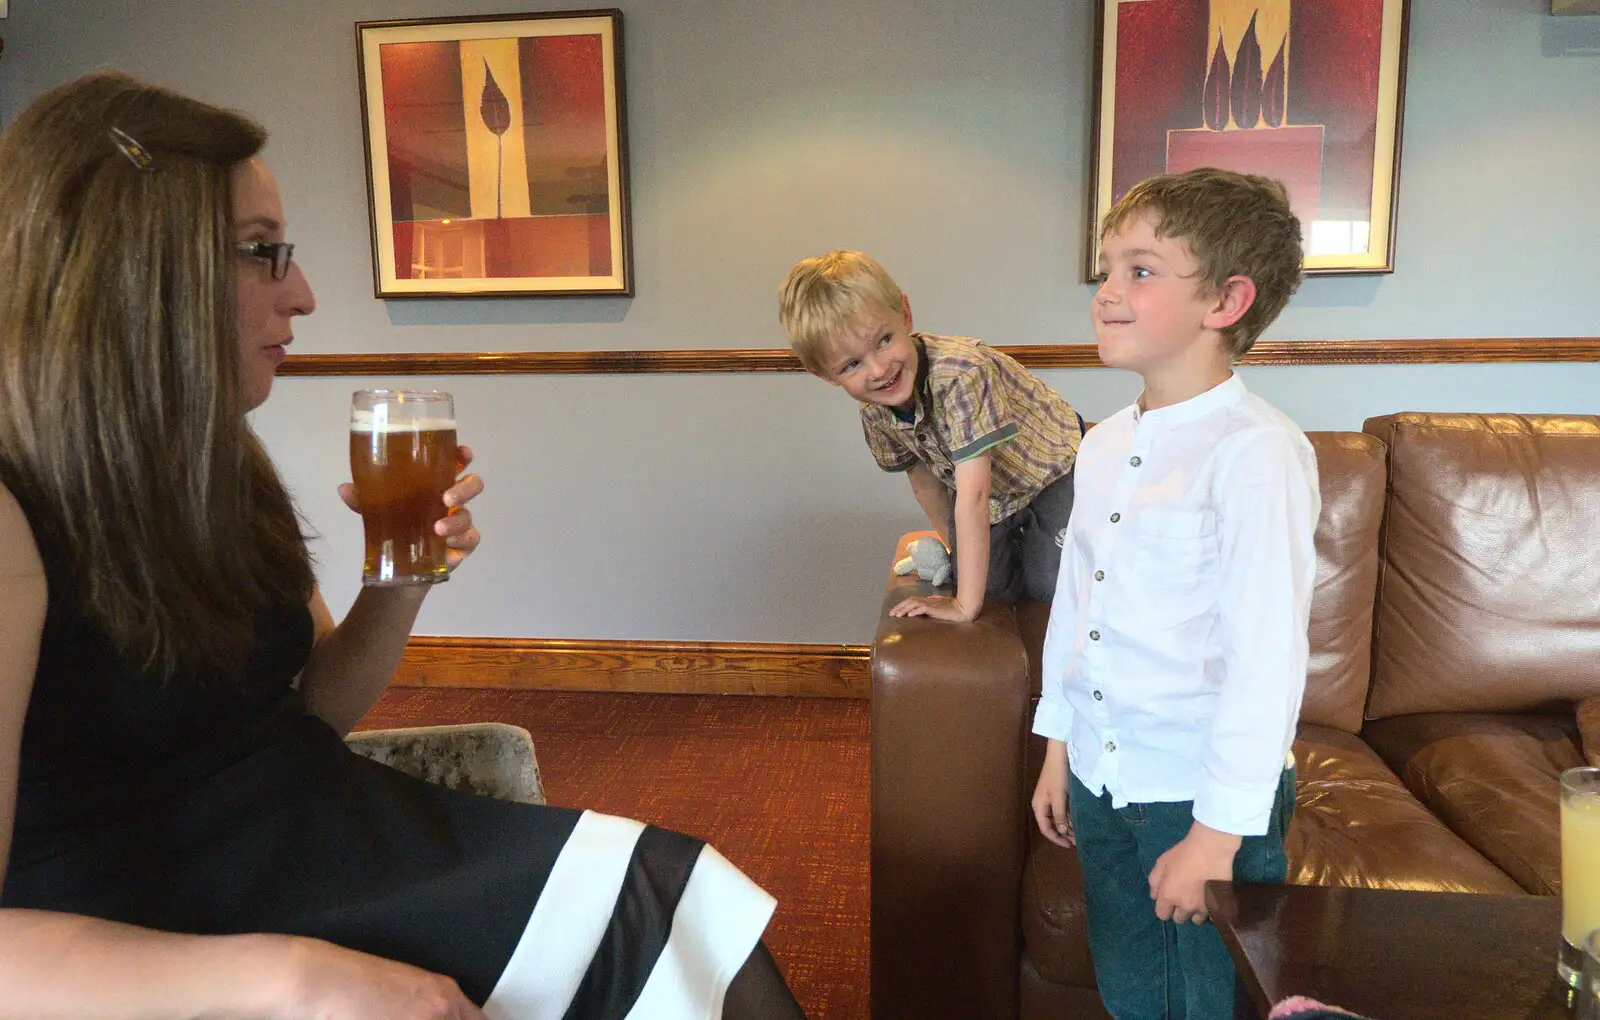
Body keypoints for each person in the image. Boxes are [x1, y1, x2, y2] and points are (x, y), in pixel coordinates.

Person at [0, 71, 804, 1020]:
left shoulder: (209, 456)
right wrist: (295, 980)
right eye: (264, 252)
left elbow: (308, 718)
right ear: (140, 270)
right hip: (153, 932)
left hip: (317, 840)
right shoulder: (13, 508)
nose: (301, 292)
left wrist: (400, 582)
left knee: (670, 893)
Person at [1028, 168, 1321, 1020]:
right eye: (1106, 269)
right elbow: (1077, 607)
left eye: (1141, 270)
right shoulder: (1104, 442)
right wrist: (1059, 744)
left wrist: (1219, 835)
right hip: (1102, 773)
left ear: (1226, 300)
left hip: (1201, 794)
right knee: (1131, 984)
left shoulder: (1255, 452)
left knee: (1210, 999)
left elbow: (1267, 660)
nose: (1107, 292)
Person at [778, 250, 1084, 622]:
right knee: (991, 589)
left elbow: (973, 495)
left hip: (1053, 469)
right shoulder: (875, 412)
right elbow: (925, 484)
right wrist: (959, 559)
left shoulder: (961, 374)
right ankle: (1022, 541)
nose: (879, 369)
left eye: (884, 340)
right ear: (826, 375)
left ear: (905, 314)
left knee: (1046, 584)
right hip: (995, 493)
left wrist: (963, 605)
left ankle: (1058, 534)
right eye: (852, 364)